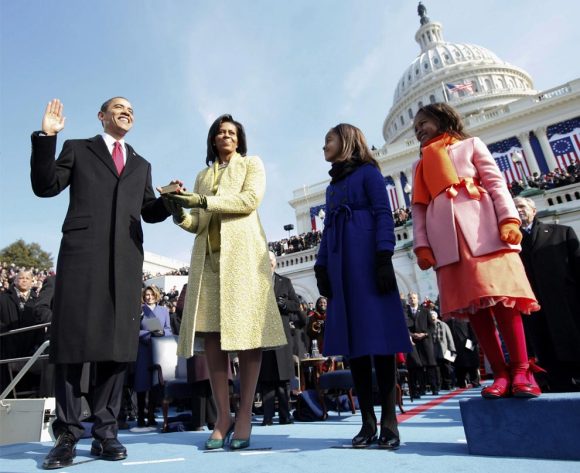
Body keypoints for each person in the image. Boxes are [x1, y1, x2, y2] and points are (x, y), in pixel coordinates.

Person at [30, 98, 170, 469]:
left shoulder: (141, 164)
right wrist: (47, 136)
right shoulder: (78, 149)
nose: (127, 112)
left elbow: (150, 211)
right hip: (81, 257)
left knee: (117, 347)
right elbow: (45, 186)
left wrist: (169, 200)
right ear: (102, 116)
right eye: (119, 107)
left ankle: (106, 431)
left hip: (125, 263)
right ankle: (68, 434)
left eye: (132, 109)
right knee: (73, 343)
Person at [163, 114, 286, 450]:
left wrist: (202, 201)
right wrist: (178, 211)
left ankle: (244, 412)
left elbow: (249, 202)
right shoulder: (203, 175)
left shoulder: (251, 165)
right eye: (221, 132)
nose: (226, 135)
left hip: (243, 259)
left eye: (232, 132)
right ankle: (223, 416)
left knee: (247, 337)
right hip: (209, 262)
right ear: (213, 140)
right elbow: (197, 223)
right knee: (213, 339)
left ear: (239, 139)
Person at [411, 103, 541, 400]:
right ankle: (500, 373)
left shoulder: (471, 145)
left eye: (424, 122)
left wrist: (509, 219)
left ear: (442, 119)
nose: (418, 129)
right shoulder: (419, 165)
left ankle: (521, 370)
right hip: (449, 245)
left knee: (505, 304)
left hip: (484, 233)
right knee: (476, 312)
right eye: (415, 126)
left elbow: (495, 183)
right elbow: (419, 210)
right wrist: (422, 245)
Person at [314, 123, 412, 449]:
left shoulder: (369, 173)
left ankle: (389, 420)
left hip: (368, 262)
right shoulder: (332, 188)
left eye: (328, 140)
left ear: (346, 141)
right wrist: (321, 265)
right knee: (353, 343)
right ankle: (367, 421)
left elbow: (384, 213)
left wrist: (384, 255)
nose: (323, 146)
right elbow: (328, 230)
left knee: (380, 341)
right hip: (342, 266)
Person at [514, 196, 580, 391]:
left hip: (567, 308)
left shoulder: (561, 232)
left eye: (522, 206)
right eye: (514, 207)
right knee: (551, 364)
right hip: (536, 312)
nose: (518, 210)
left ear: (533, 210)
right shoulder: (510, 244)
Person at [258, 251, 300, 426]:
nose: (269, 263)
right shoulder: (256, 282)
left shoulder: (285, 282)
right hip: (264, 334)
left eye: (271, 260)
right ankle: (267, 417)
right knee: (267, 379)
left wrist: (284, 304)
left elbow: (296, 305)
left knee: (283, 379)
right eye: (265, 261)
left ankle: (285, 415)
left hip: (282, 335)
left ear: (275, 263)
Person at [134, 286, 173, 427]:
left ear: (156, 295)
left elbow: (169, 329)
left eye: (151, 294)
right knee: (141, 383)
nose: (148, 297)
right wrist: (148, 334)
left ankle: (151, 416)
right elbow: (134, 331)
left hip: (158, 351)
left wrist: (163, 334)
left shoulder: (163, 311)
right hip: (143, 351)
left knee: (154, 384)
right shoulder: (140, 310)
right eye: (146, 294)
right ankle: (140, 417)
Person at [0, 270, 42, 394]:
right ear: (15, 280)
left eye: (27, 278)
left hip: (32, 348)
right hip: (8, 348)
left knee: (30, 385)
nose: (24, 280)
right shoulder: (2, 298)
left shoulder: (39, 301)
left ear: (31, 281)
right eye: (21, 278)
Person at [404, 292, 438, 396]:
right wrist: (411, 335)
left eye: (414, 298)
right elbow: (404, 327)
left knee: (430, 365)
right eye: (410, 298)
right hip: (413, 342)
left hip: (425, 341)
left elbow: (432, 327)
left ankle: (434, 387)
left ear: (417, 299)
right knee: (416, 366)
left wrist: (425, 334)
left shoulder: (425, 311)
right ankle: (420, 389)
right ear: (408, 300)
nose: (412, 300)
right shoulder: (405, 312)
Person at [429, 310, 456, 391]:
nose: (432, 317)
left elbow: (449, 337)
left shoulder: (443, 325)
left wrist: (452, 349)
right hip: (433, 350)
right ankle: (439, 385)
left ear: (436, 316)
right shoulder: (428, 325)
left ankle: (448, 384)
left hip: (444, 349)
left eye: (433, 315)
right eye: (431, 316)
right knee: (436, 369)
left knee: (446, 368)